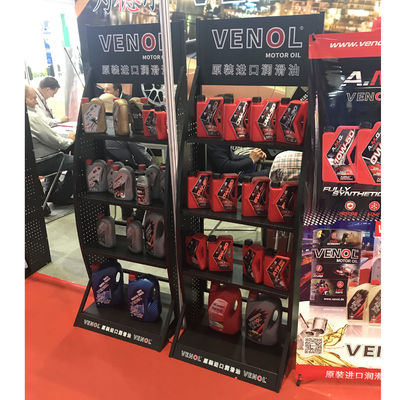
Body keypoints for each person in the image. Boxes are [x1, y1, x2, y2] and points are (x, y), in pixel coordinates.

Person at [25, 85, 75, 206]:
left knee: (62, 153)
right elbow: (55, 141)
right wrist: (70, 140)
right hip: (42, 161)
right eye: (33, 98)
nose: (36, 102)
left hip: (31, 162)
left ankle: (51, 193)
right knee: (80, 162)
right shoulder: (30, 117)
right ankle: (62, 196)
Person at [100, 93, 152, 167]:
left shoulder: (94, 128)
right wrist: (151, 163)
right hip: (124, 169)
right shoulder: (122, 127)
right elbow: (140, 155)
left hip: (98, 167)